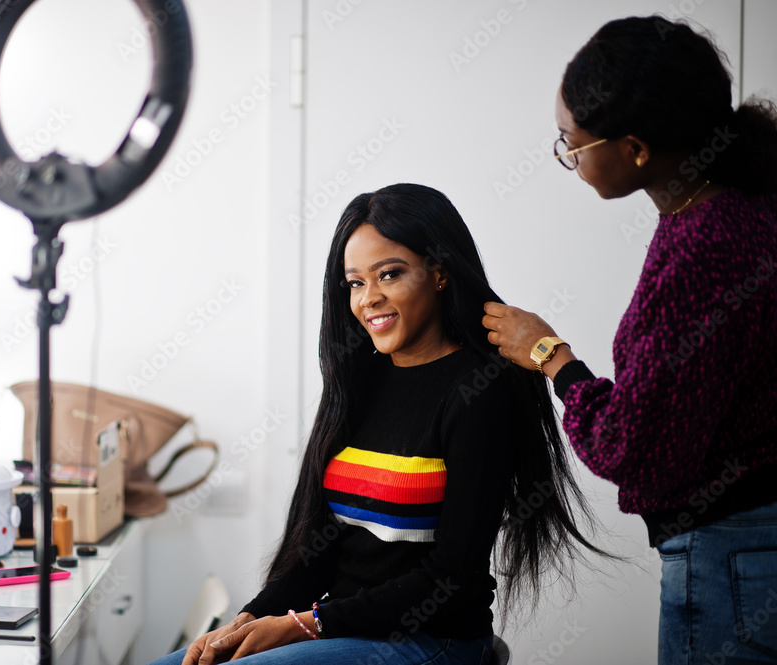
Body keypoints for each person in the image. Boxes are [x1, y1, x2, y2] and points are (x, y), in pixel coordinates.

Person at [151, 183, 609, 665]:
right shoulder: (359, 382)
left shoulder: (479, 391)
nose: (369, 298)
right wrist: (249, 620)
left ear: (439, 273)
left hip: (434, 641)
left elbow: (451, 577)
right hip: (338, 628)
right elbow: (321, 549)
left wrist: (303, 625)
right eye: (355, 282)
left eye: (389, 274)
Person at [482, 16, 777, 665]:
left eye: (572, 143)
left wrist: (550, 355)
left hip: (735, 557)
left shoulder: (707, 249)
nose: (568, 157)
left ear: (636, 149)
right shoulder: (736, 204)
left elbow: (632, 446)